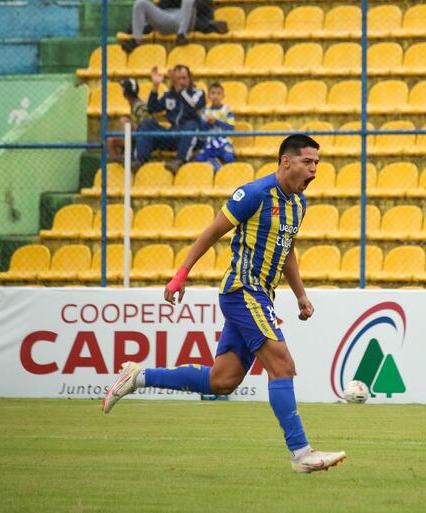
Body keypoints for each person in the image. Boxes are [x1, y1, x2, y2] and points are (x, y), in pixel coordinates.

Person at [102, 134, 347, 474]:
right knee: (282, 365)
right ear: (286, 161)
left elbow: (286, 248)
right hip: (243, 291)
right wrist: (180, 275)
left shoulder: (298, 205)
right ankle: (301, 452)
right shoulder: (255, 194)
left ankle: (138, 377)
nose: (315, 170)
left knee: (223, 380)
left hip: (262, 294)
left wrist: (300, 294)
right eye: (308, 162)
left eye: (318, 163)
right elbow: (212, 232)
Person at [135, 64, 205, 171]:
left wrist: (180, 91)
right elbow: (152, 108)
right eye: (178, 79)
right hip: (173, 135)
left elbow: (193, 106)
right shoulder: (169, 95)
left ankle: (179, 161)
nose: (181, 82)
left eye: (184, 78)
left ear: (190, 78)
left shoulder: (198, 93)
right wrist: (155, 86)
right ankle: (140, 161)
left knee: (190, 125)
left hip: (193, 136)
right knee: (148, 124)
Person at [122, 0, 228, 53]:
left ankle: (181, 35)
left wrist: (208, 26)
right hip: (167, 18)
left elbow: (204, 12)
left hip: (186, 21)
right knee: (140, 3)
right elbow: (160, 8)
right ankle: (136, 40)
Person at [107, 79, 154, 160]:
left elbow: (146, 124)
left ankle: (127, 154)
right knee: (110, 141)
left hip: (141, 137)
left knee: (124, 120)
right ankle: (119, 163)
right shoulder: (133, 104)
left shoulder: (140, 106)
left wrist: (133, 126)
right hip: (132, 136)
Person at [194, 82, 235, 172]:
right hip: (209, 142)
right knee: (198, 158)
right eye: (213, 93)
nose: (215, 96)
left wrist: (216, 122)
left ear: (223, 96)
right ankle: (215, 164)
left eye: (218, 93)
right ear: (209, 96)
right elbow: (202, 130)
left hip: (224, 142)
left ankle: (227, 175)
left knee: (229, 157)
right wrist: (209, 124)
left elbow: (231, 128)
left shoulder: (227, 111)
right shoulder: (205, 111)